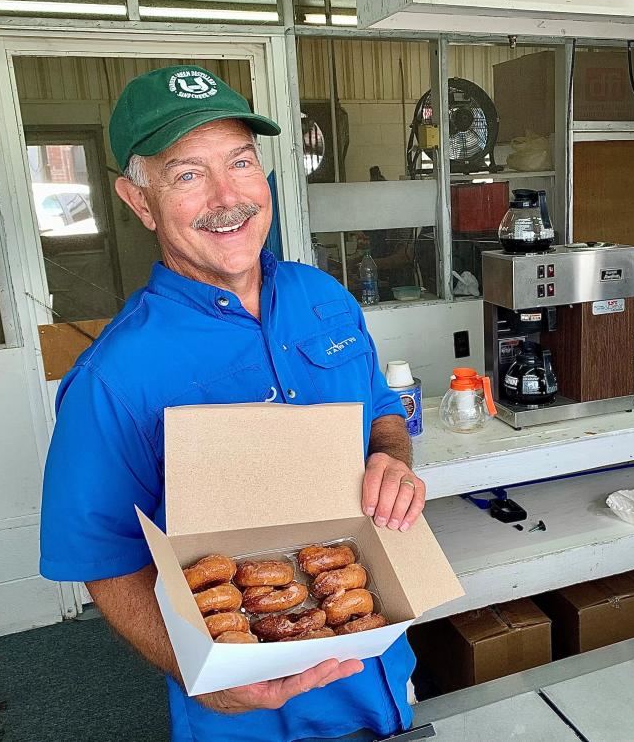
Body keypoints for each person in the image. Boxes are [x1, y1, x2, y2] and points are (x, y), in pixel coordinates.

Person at [38, 65, 427, 742]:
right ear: (139, 200)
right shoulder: (115, 376)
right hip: (248, 715)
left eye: (241, 161)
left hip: (381, 675)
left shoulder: (324, 298)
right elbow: (102, 561)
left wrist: (391, 457)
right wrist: (203, 674)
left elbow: (381, 409)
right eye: (188, 174)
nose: (228, 196)